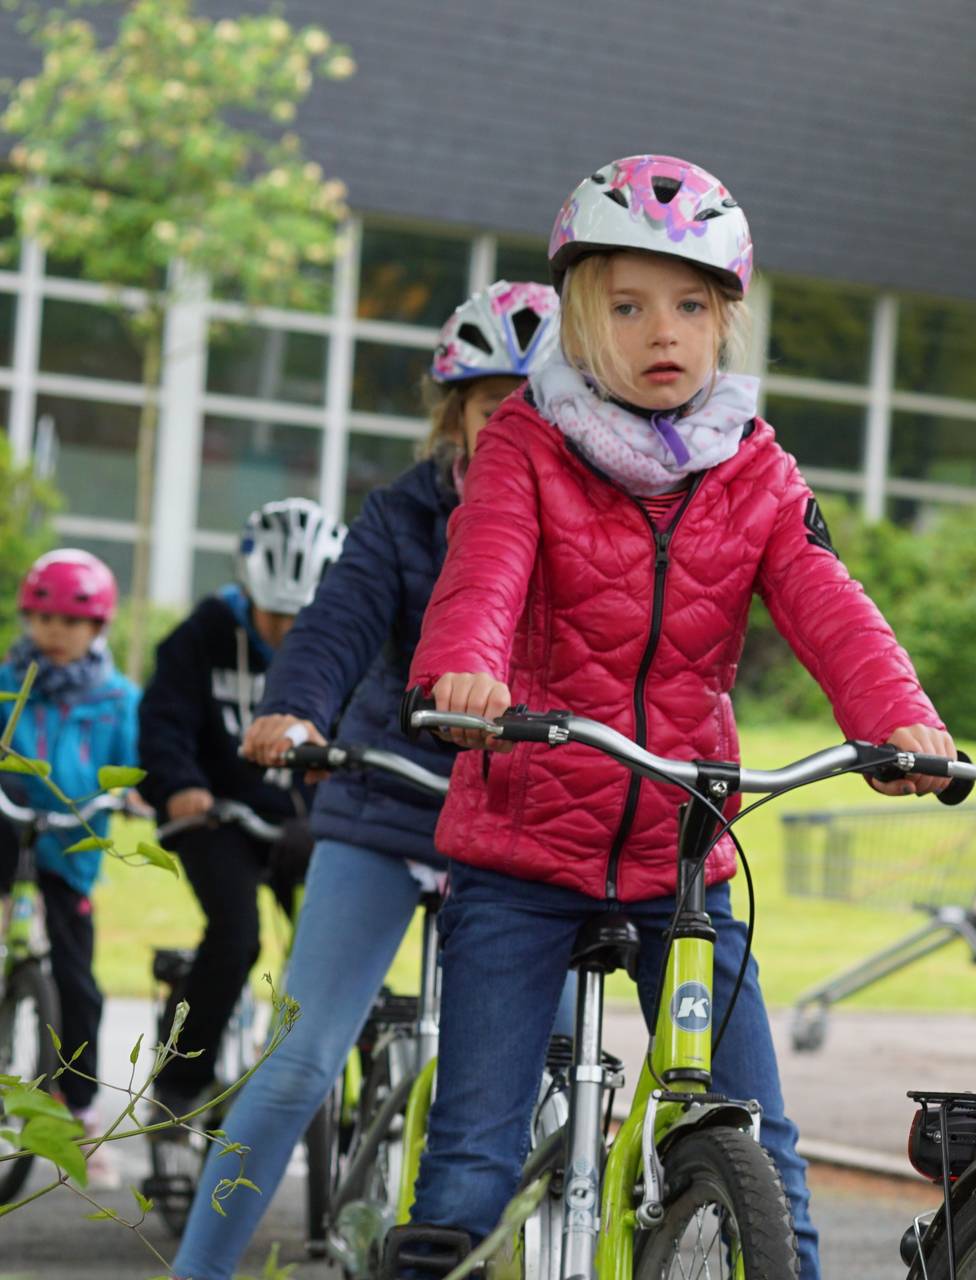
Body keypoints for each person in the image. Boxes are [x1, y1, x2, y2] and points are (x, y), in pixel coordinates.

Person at [398, 154, 957, 1280]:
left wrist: (902, 722)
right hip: (522, 845)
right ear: (578, 318)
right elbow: (485, 571)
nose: (666, 330)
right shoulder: (527, 445)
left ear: (727, 320)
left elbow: (827, 600)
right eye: (630, 303)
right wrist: (464, 675)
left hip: (682, 853)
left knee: (758, 1141)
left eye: (693, 304)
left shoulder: (752, 469)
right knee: (469, 1164)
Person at [164, 280, 558, 1280]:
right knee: (301, 1058)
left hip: (525, 820)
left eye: (535, 403)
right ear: (453, 414)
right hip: (390, 797)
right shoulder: (402, 514)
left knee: (560, 1068)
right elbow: (338, 622)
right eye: (487, 404)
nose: (508, 425)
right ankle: (197, 1268)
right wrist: (295, 709)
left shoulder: (597, 516)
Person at [139, 498, 344, 1120]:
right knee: (238, 935)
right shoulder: (200, 636)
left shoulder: (341, 648)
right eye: (274, 612)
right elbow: (161, 723)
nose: (285, 629)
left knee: (334, 942)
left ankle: (341, 1092)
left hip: (302, 823)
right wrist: (179, 784)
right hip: (215, 815)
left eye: (298, 614)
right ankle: (179, 1087)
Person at [0, 549, 135, 1182]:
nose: (55, 633)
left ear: (98, 628)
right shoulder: (8, 686)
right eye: (43, 619)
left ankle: (78, 1109)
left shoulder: (116, 699)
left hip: (71, 849)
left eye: (71, 622)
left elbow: (136, 763)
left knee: (79, 983)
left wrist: (137, 791)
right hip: (8, 832)